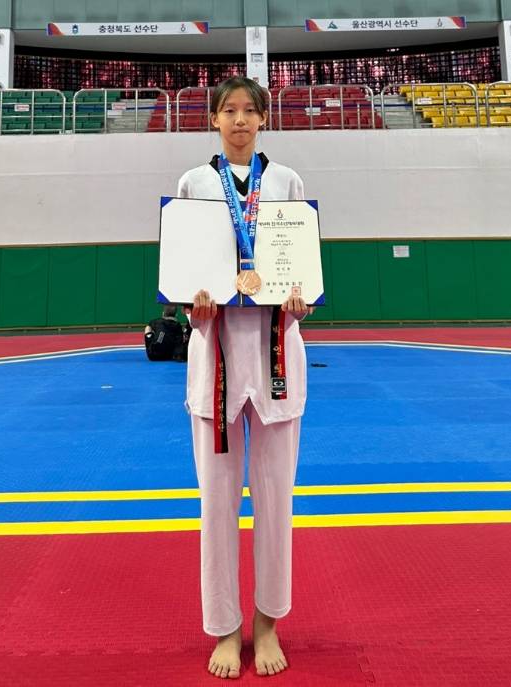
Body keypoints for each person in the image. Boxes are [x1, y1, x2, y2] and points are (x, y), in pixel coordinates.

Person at [178, 76, 314, 679]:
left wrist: (301, 299)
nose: (239, 120)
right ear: (213, 119)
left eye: (249, 110)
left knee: (277, 500)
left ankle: (268, 623)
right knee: (217, 503)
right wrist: (192, 302)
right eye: (228, 110)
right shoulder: (193, 184)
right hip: (216, 355)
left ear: (263, 119)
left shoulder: (286, 183)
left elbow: (300, 267)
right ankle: (225, 629)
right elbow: (183, 273)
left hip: (276, 352)